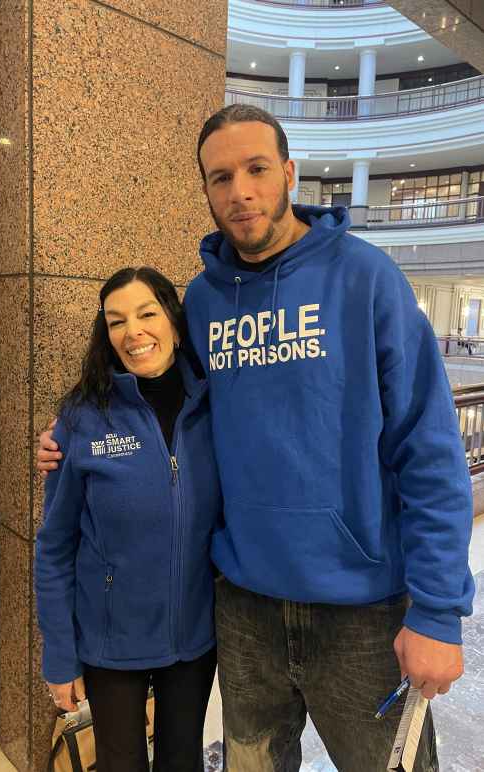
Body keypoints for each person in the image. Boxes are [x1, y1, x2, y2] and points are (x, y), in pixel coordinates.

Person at [38, 105, 474, 772]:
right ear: (206, 192)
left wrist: (439, 611)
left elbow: (429, 448)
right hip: (243, 608)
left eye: (256, 169)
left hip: (359, 610)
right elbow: (154, 394)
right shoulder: (205, 302)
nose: (239, 191)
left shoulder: (364, 279)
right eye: (219, 177)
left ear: (289, 173)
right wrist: (70, 436)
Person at [35, 267, 221, 772]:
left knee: (182, 762)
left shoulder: (217, 407)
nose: (132, 332)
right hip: (110, 641)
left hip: (194, 639)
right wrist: (59, 655)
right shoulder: (82, 418)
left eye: (146, 314)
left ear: (175, 324)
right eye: (116, 321)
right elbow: (54, 548)